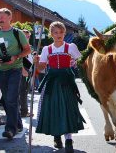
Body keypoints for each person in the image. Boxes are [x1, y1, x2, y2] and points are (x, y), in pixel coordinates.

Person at [34, 21, 85, 153]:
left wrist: (76, 63)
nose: (59, 35)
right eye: (56, 32)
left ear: (64, 33)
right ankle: (57, 136)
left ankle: (68, 139)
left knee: (68, 108)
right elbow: (41, 68)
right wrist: (37, 62)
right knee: (53, 108)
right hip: (51, 82)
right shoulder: (47, 49)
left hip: (67, 81)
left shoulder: (71, 47)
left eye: (61, 32)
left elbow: (81, 61)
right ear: (51, 34)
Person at [0, 8, 31, 139]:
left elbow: (27, 50)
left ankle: (10, 129)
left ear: (10, 18)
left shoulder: (17, 33)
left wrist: (16, 57)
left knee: (10, 98)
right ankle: (18, 124)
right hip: (1, 70)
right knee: (9, 100)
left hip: (15, 69)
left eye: (2, 17)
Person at [18, 29, 32, 117]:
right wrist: (23, 70)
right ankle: (24, 111)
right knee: (23, 91)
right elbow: (19, 59)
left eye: (28, 36)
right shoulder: (19, 47)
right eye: (25, 36)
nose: (27, 37)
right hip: (22, 70)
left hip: (28, 70)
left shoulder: (27, 46)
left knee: (25, 91)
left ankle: (24, 110)